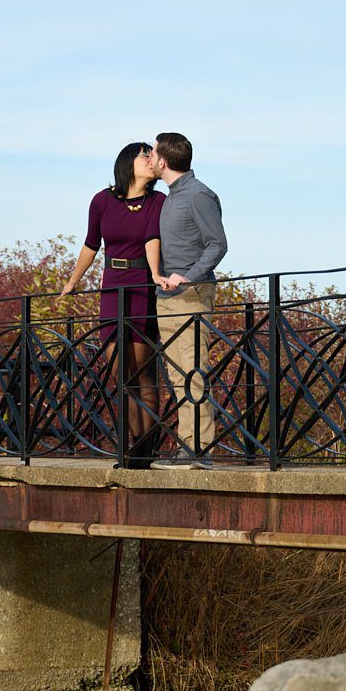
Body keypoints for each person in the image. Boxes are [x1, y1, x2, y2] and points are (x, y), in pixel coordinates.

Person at [62, 142, 163, 457]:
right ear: (126, 163)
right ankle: (136, 444)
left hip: (142, 285)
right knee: (121, 374)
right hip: (112, 288)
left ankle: (146, 449)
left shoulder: (158, 201)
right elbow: (91, 244)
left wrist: (158, 274)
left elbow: (154, 240)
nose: (150, 160)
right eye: (144, 155)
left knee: (144, 372)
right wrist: (71, 283)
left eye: (152, 155)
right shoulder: (102, 201)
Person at [147, 132, 228, 468]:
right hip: (167, 296)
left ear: (164, 160)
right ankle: (188, 447)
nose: (150, 159)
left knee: (193, 371)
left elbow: (217, 244)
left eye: (152, 153)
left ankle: (199, 450)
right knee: (178, 374)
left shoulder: (198, 195)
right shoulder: (169, 197)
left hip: (191, 295)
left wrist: (189, 275)